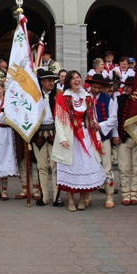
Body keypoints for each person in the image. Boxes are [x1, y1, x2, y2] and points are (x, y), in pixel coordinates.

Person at [52, 70, 106, 212]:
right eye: (74, 78)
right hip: (70, 137)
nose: (77, 80)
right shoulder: (62, 98)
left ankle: (82, 199)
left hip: (85, 136)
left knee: (84, 167)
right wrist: (62, 138)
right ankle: (70, 200)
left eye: (78, 77)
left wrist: (97, 137)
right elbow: (58, 120)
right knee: (69, 167)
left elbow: (93, 119)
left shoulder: (87, 97)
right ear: (69, 81)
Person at [84, 74, 118, 208]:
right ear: (90, 86)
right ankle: (87, 195)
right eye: (94, 87)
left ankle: (109, 196)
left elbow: (113, 119)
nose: (96, 90)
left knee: (107, 167)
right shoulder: (84, 98)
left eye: (99, 87)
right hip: (88, 138)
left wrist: (101, 125)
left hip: (103, 137)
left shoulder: (108, 99)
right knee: (89, 166)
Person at [112, 76, 137, 206]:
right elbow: (114, 119)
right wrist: (115, 135)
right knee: (124, 167)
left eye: (131, 86)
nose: (128, 89)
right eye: (127, 86)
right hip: (123, 138)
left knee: (136, 167)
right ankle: (126, 193)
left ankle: (134, 192)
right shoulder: (118, 100)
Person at [32, 69, 60, 206]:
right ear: (42, 81)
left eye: (53, 80)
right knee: (42, 166)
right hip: (39, 135)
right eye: (49, 80)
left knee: (55, 166)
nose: (51, 83)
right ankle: (44, 196)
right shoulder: (34, 95)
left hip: (55, 133)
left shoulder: (59, 95)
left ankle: (56, 196)